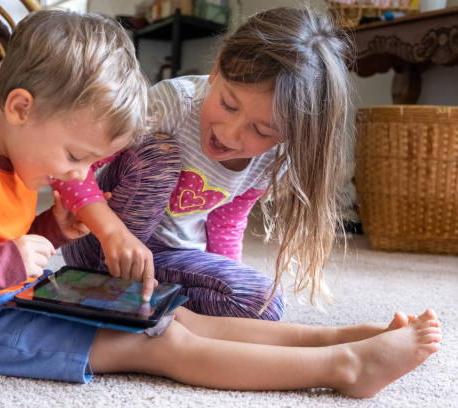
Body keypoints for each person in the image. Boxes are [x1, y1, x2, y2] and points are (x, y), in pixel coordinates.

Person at [0, 9, 441, 397]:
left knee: (177, 314)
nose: (81, 177)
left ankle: (340, 337)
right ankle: (345, 369)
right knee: (163, 345)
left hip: (14, 291)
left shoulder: (12, 148)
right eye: (78, 156)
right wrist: (9, 261)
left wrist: (49, 232)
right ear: (20, 108)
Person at [54, 6, 358, 320]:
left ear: (288, 135)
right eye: (228, 104)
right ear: (216, 69)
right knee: (159, 155)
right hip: (98, 241)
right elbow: (71, 167)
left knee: (265, 303)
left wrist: (229, 277)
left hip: (169, 260)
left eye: (261, 130)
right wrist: (111, 232)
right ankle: (113, 289)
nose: (230, 134)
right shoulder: (174, 103)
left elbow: (226, 222)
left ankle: (140, 301)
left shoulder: (273, 160)